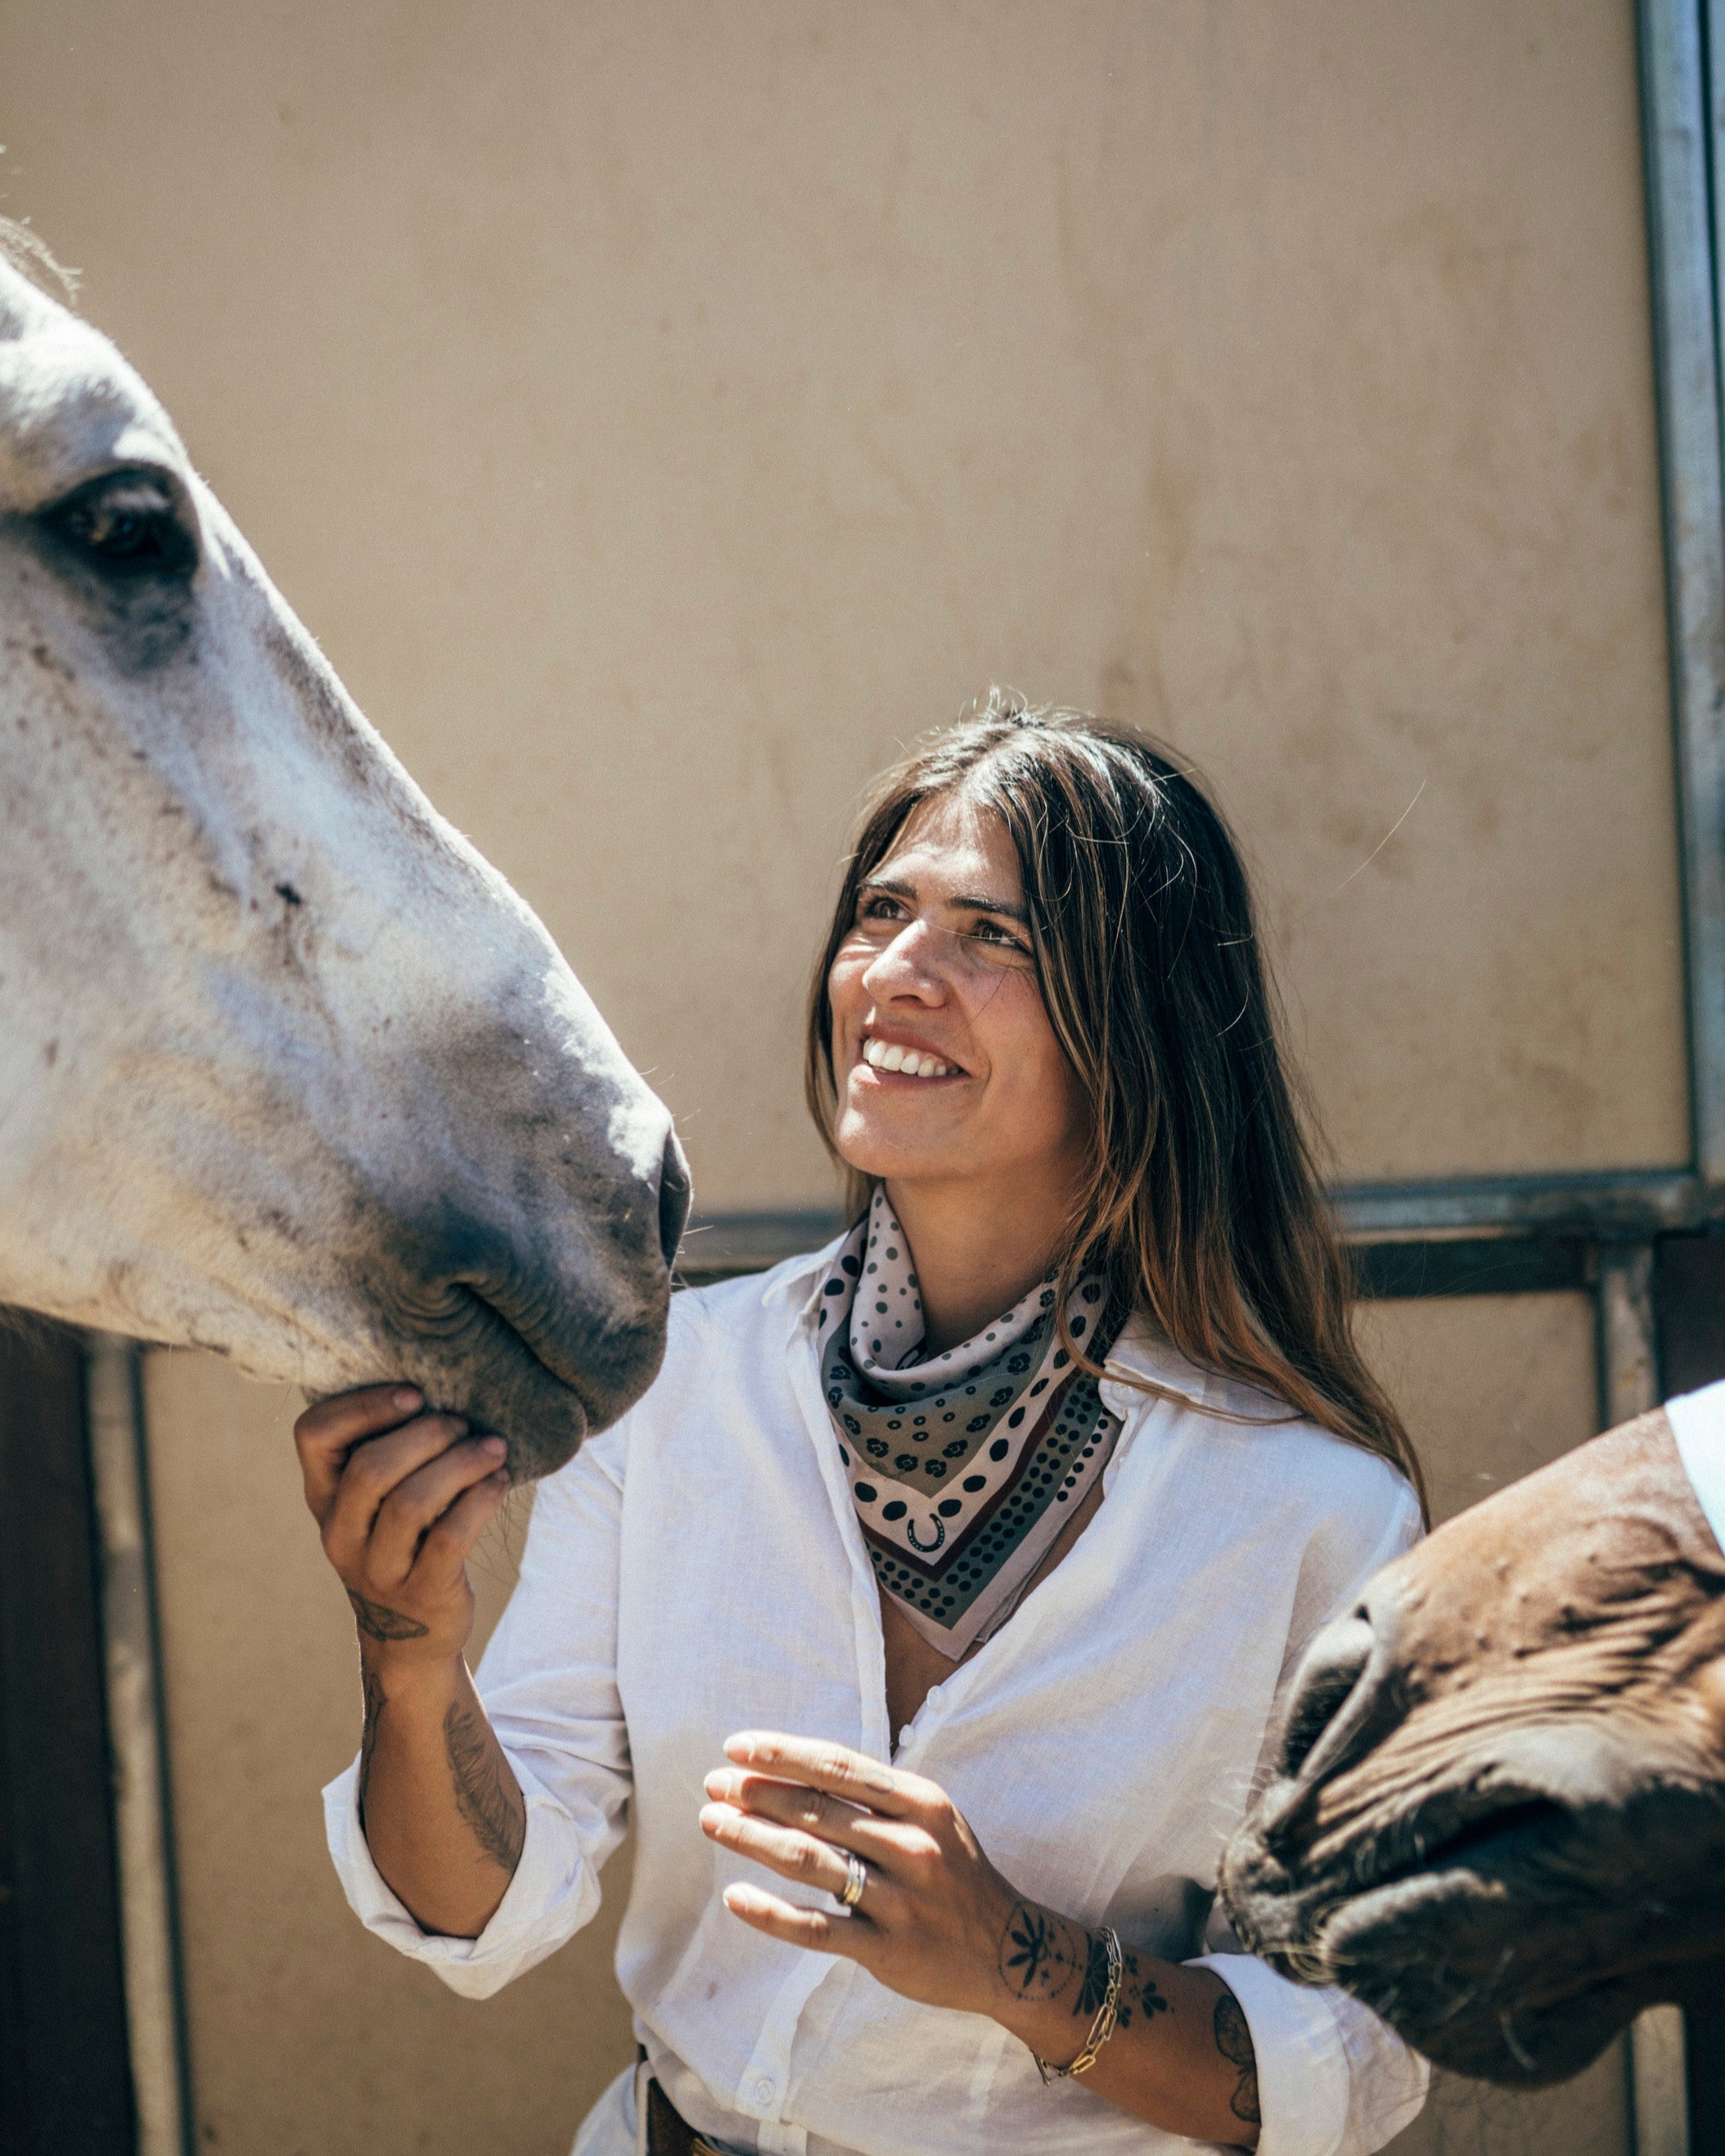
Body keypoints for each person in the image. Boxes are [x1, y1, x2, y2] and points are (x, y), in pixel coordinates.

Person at [299, 692, 1430, 2156]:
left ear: (1136, 1023)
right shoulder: (675, 1384)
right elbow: (481, 1908)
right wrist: (407, 1655)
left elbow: (1357, 2060)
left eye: (993, 935)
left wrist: (1017, 1961)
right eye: (881, 912)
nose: (895, 973)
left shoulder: (1310, 1510)